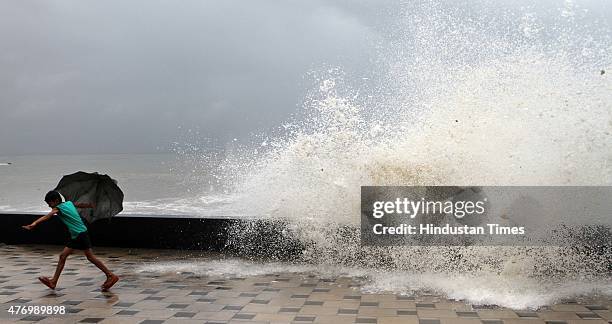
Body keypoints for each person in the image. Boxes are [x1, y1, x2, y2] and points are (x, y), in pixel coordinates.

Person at [22, 190, 119, 291]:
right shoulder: (69, 203)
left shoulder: (58, 208)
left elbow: (48, 216)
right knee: (71, 256)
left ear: (55, 200)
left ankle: (110, 275)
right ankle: (53, 282)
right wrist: (90, 204)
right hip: (80, 233)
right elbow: (80, 204)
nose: (49, 206)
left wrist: (34, 223)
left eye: (49, 203)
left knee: (79, 257)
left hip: (78, 234)